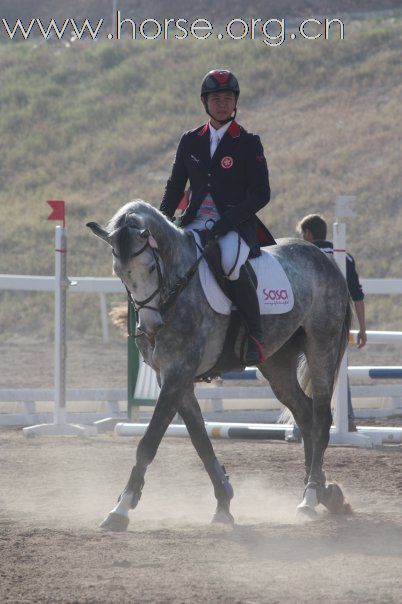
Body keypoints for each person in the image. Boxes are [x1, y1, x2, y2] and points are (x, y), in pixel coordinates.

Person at [160, 69, 275, 365]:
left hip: (233, 225)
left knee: (228, 263)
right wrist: (161, 222)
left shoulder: (249, 142)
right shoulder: (190, 140)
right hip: (194, 221)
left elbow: (261, 194)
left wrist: (226, 223)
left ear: (235, 102)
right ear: (205, 102)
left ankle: (254, 335)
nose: (222, 104)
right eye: (216, 99)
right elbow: (175, 186)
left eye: (227, 98)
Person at [298, 213, 367, 431]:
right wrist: (362, 329)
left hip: (304, 323)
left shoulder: (304, 254)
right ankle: (348, 418)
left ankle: (300, 424)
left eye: (302, 234)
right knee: (336, 369)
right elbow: (357, 295)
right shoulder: (345, 257)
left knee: (301, 372)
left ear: (308, 233)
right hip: (336, 325)